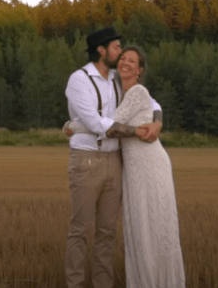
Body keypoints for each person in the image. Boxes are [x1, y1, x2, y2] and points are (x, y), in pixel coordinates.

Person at [66, 46, 185, 288]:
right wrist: (158, 120)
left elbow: (110, 125)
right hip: (131, 167)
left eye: (132, 61)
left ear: (140, 70)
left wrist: (72, 126)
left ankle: (160, 282)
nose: (125, 63)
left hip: (149, 164)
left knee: (153, 225)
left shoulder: (136, 91)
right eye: (122, 58)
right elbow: (151, 107)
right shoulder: (118, 88)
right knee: (139, 226)